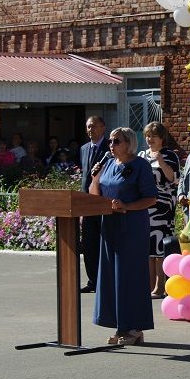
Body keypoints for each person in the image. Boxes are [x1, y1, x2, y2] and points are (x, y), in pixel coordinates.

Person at [89, 127, 157, 345]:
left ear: (129, 143)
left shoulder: (140, 166)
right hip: (109, 225)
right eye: (110, 141)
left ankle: (134, 328)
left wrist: (127, 206)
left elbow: (151, 198)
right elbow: (94, 195)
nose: (111, 145)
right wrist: (95, 177)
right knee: (112, 277)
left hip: (132, 226)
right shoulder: (107, 164)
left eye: (116, 141)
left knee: (130, 277)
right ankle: (121, 327)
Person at [137, 122, 180, 299]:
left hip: (162, 206)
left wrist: (160, 160)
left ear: (162, 138)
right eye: (147, 135)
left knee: (160, 248)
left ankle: (160, 286)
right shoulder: (141, 155)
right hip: (144, 205)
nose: (149, 139)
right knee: (147, 248)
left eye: (153, 136)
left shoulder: (170, 155)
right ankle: (148, 285)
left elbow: (174, 178)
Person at [79, 116, 109, 293]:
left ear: (103, 128)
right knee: (89, 245)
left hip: (103, 202)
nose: (91, 130)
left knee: (103, 244)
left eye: (94, 126)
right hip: (86, 204)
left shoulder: (111, 147)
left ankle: (104, 281)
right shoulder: (83, 149)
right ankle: (92, 281)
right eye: (88, 127)